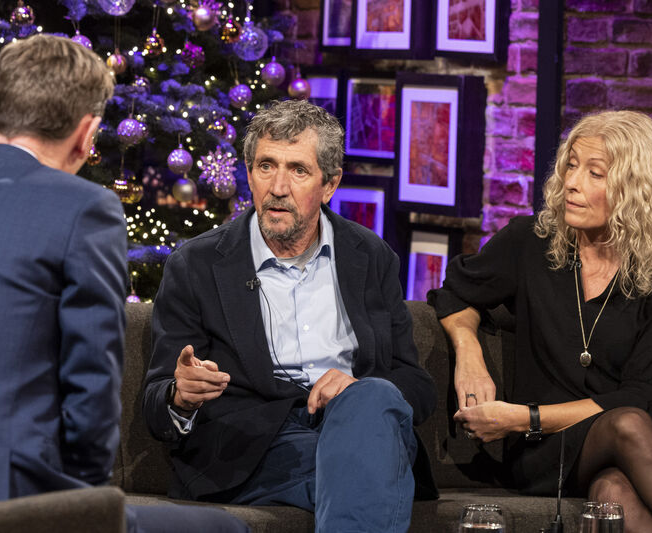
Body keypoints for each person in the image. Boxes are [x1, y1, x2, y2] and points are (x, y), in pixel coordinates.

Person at [0, 34, 246, 533]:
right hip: (7, 503)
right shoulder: (86, 209)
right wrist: (87, 509)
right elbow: (91, 389)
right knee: (226, 530)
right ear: (87, 135)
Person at [142, 99, 438, 532]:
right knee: (370, 472)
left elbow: (416, 384)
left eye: (298, 170)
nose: (277, 187)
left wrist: (358, 388)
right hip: (253, 445)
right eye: (266, 166)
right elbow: (155, 403)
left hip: (358, 425)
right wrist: (179, 395)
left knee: (372, 404)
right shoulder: (197, 264)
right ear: (248, 173)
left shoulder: (370, 257)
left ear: (330, 183)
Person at [428, 110, 652, 533]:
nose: (571, 183)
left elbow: (645, 398)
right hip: (551, 451)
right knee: (624, 428)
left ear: (636, 191)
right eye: (571, 165)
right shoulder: (529, 244)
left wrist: (523, 417)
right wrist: (469, 351)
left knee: (613, 492)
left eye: (595, 174)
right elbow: (455, 290)